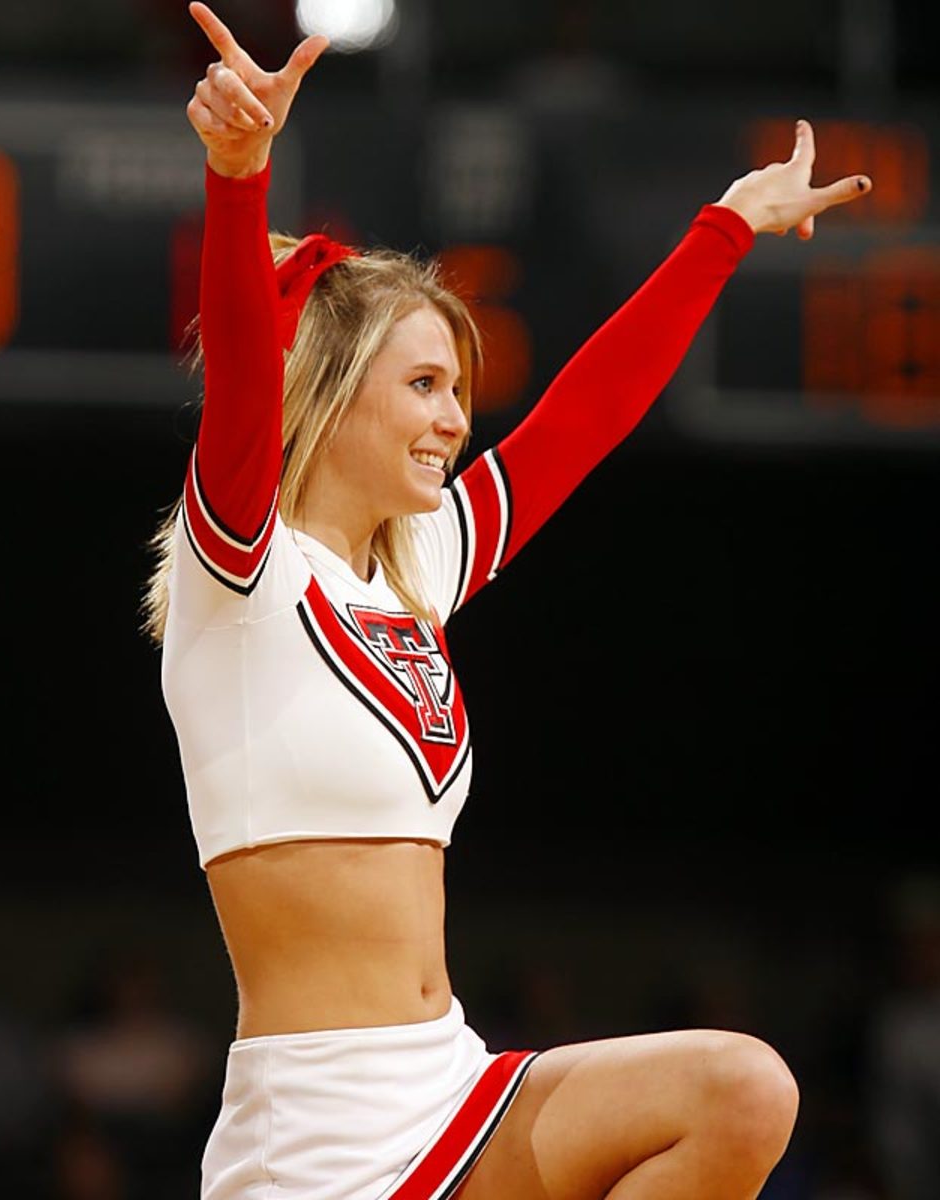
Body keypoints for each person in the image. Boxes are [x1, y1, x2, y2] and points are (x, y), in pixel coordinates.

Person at [145, 4, 873, 1197]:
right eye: (425, 383)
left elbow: (581, 423)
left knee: (741, 1092)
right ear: (330, 396)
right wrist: (239, 177)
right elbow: (238, 378)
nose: (454, 417)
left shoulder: (414, 571)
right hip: (315, 1140)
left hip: (450, 1084)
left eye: (459, 387)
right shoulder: (249, 574)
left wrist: (725, 230)